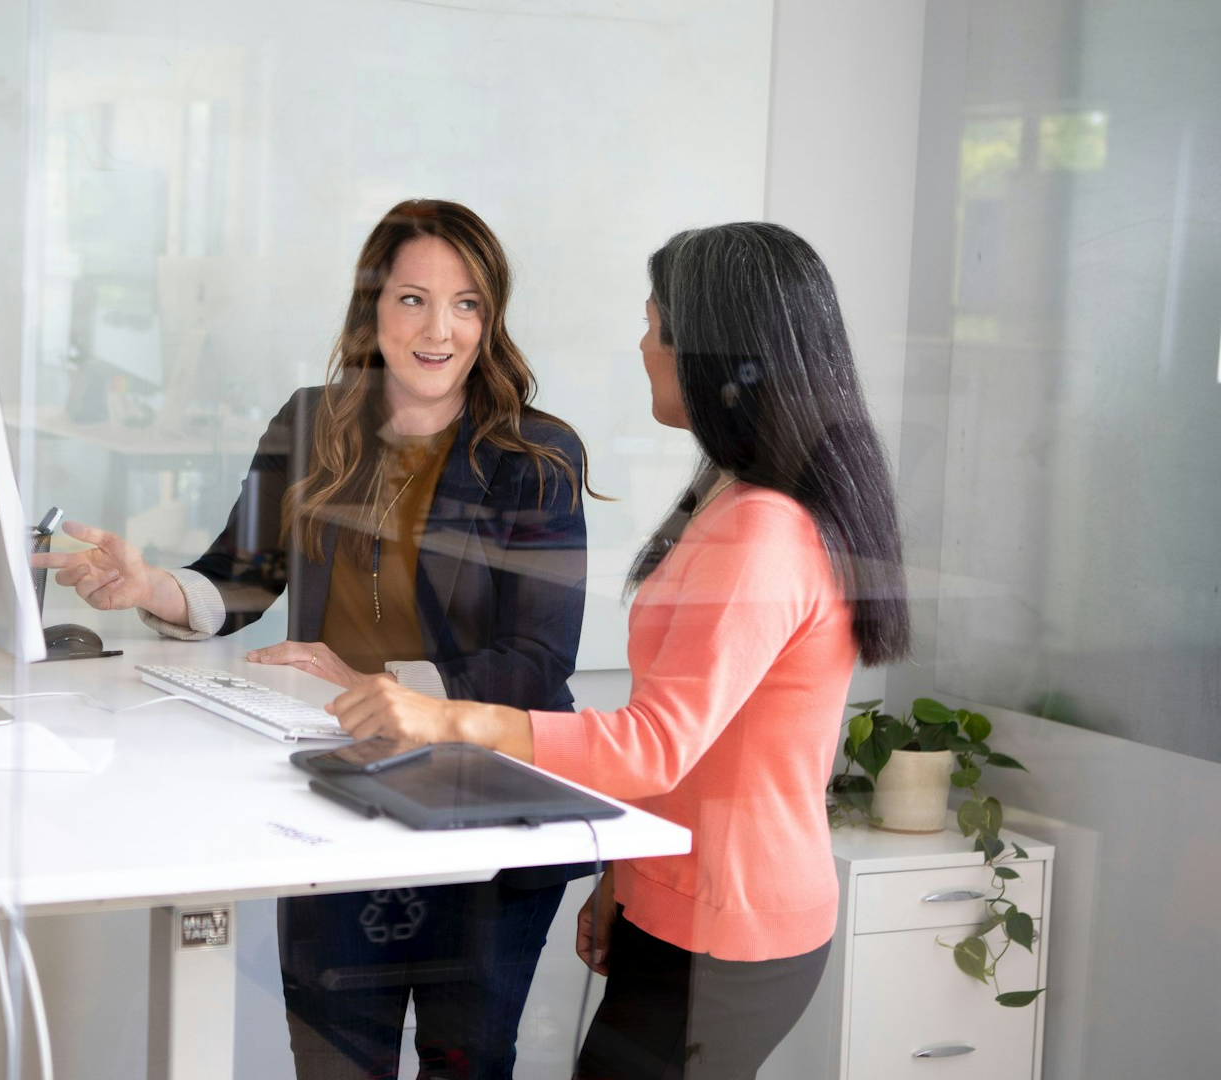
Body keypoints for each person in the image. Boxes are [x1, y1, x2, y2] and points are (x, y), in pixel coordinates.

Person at [327, 222, 912, 1080]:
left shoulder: (764, 528)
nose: (642, 345)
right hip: (678, 904)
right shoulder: (729, 494)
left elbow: (655, 741)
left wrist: (450, 717)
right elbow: (697, 747)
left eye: (655, 325)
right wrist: (627, 882)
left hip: (727, 927)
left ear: (716, 354)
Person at [33, 198, 599, 1079]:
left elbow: (538, 662)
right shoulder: (310, 423)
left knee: (469, 1062)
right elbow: (241, 578)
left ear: (492, 318)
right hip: (342, 794)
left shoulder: (537, 455)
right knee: (336, 1060)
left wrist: (385, 681)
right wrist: (151, 587)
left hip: (487, 804)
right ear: (372, 308)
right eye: (413, 299)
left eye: (467, 304)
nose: (439, 329)